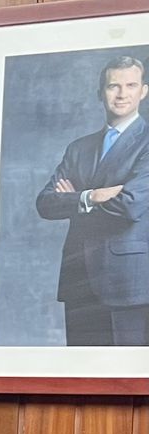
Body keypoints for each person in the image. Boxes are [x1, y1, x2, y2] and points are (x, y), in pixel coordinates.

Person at [35, 54, 149, 346]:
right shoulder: (78, 148)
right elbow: (46, 203)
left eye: (130, 85)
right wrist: (91, 196)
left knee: (125, 381)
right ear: (100, 93)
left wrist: (73, 200)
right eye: (113, 86)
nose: (122, 94)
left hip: (129, 285)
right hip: (78, 281)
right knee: (80, 379)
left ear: (143, 91)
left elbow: (129, 206)